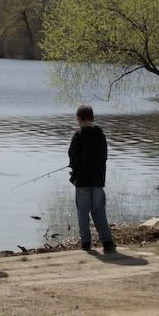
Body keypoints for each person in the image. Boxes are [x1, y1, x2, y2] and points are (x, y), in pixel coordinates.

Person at [68, 105, 116, 253]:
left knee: (83, 212)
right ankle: (107, 242)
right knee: (99, 211)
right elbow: (104, 157)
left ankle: (86, 243)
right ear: (92, 118)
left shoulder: (78, 135)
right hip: (97, 180)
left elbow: (73, 157)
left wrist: (73, 169)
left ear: (78, 119)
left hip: (82, 181)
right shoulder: (101, 135)